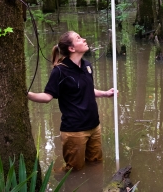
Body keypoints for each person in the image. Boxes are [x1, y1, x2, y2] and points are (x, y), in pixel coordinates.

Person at [27, 31, 115, 172]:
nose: (84, 39)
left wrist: (105, 93)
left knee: (95, 164)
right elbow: (47, 97)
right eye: (79, 38)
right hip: (74, 130)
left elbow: (88, 90)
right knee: (74, 171)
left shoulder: (87, 66)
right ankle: (57, 176)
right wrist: (27, 94)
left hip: (94, 126)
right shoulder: (60, 71)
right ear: (71, 48)